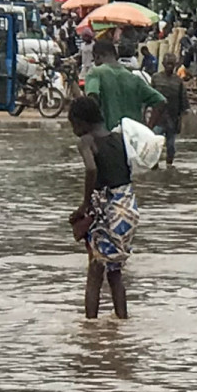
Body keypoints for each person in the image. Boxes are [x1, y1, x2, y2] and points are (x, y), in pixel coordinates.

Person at [67, 94, 140, 320]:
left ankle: (90, 328)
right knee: (115, 272)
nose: (74, 131)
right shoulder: (119, 138)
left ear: (82, 122)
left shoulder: (86, 141)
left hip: (106, 210)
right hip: (128, 208)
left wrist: (85, 204)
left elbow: (91, 169)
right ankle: (121, 323)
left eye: (73, 125)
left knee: (95, 271)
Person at [83, 39, 163, 131]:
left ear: (96, 57)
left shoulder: (95, 73)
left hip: (108, 136)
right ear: (116, 55)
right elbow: (160, 101)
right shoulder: (134, 77)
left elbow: (92, 98)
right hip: (132, 137)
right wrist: (148, 129)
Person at [148, 55, 189, 168]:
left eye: (172, 64)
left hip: (172, 118)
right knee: (154, 143)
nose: (169, 67)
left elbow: (183, 102)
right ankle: (154, 164)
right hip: (158, 117)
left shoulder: (178, 81)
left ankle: (169, 165)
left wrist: (181, 120)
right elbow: (149, 96)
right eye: (168, 64)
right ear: (163, 64)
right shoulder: (156, 78)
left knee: (171, 146)